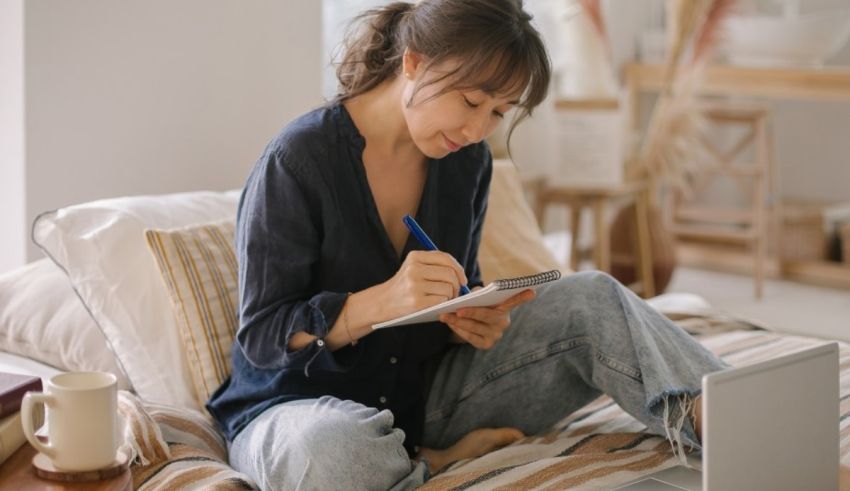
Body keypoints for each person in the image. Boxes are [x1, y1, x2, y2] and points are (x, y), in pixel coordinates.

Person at [207, 1, 727, 489]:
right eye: (472, 100)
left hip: (418, 398)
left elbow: (460, 287)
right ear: (413, 62)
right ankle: (428, 461)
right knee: (330, 454)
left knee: (593, 297)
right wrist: (379, 302)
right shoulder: (299, 160)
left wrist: (469, 320)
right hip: (293, 408)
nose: (478, 129)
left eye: (500, 112)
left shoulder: (466, 163)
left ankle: (739, 424)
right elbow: (263, 336)